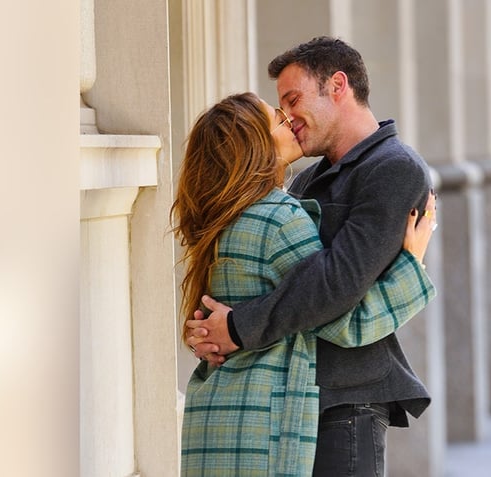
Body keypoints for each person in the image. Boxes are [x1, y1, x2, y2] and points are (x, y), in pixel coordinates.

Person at [186, 37, 437, 475]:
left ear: (337, 86)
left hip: (346, 401)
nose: (288, 116)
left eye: (293, 99)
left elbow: (336, 283)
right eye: (280, 110)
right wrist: (217, 328)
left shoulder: (394, 168)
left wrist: (236, 328)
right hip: (291, 400)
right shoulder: (299, 186)